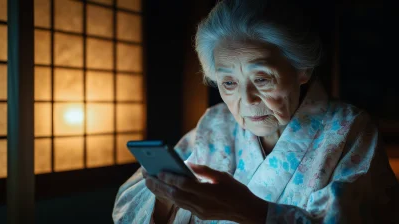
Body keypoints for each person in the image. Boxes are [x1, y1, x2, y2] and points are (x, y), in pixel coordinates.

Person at [112, 0, 399, 223]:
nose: (247, 99)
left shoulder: (348, 129)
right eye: (229, 83)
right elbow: (128, 206)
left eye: (261, 79)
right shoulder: (215, 122)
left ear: (302, 69)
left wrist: (248, 210)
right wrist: (167, 198)